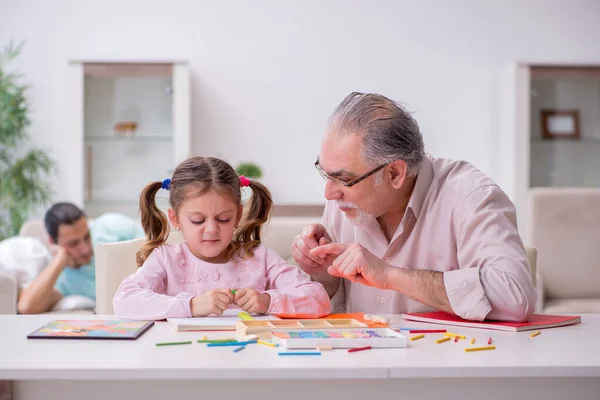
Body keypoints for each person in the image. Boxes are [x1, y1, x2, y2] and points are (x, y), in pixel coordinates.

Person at [292, 92, 536, 322]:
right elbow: (338, 305)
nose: (329, 193)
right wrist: (322, 272)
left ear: (395, 173)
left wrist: (390, 276)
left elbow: (515, 298)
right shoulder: (344, 202)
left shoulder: (470, 197)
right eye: (326, 174)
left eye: (344, 179)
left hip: (446, 360)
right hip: (360, 358)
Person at [113, 156, 330, 321]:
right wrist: (193, 305)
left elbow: (319, 300)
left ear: (237, 215)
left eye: (224, 219)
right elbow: (124, 300)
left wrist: (268, 301)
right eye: (197, 220)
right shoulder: (165, 259)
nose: (211, 230)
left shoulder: (258, 257)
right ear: (175, 218)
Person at [15, 203, 144, 314]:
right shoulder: (63, 281)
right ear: (53, 242)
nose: (86, 249)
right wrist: (60, 258)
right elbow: (25, 307)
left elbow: (156, 244)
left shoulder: (112, 226)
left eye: (87, 236)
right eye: (73, 243)